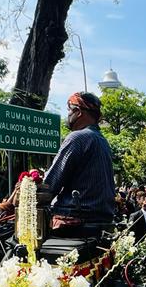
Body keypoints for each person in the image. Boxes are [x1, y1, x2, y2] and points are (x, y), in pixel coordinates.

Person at [39, 91, 116, 236]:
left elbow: (50, 184)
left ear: (78, 112)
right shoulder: (102, 141)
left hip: (75, 219)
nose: (68, 114)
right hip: (101, 220)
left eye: (69, 109)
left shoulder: (78, 137)